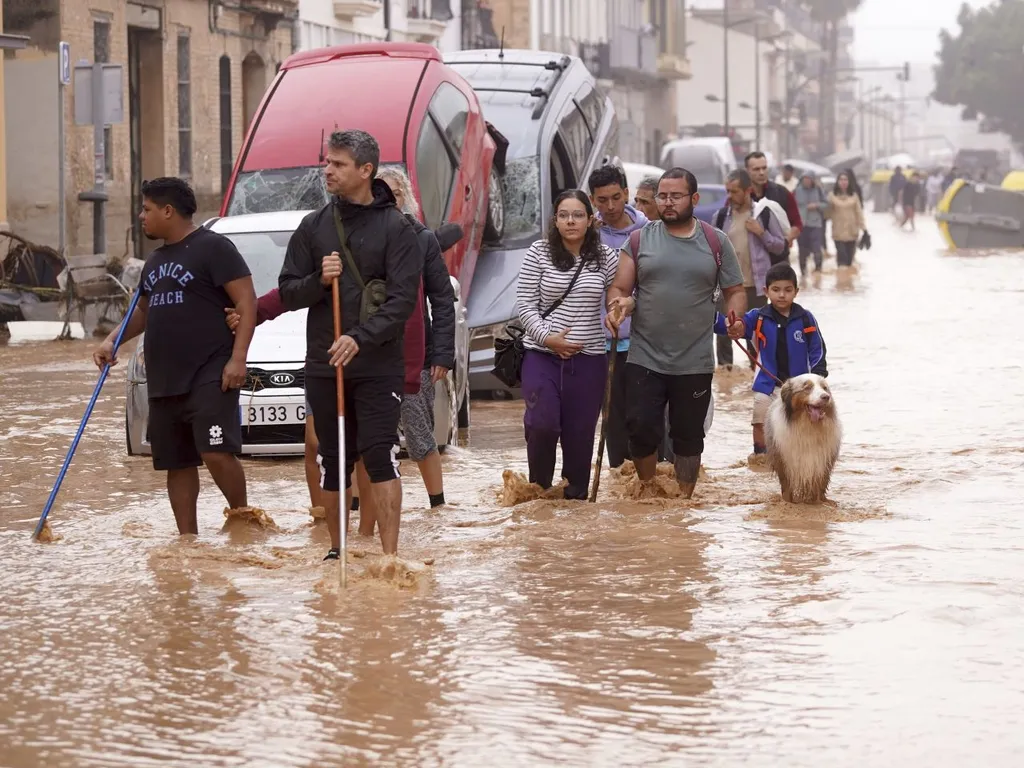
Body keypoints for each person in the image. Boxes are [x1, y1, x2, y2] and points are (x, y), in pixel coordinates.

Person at [279, 129, 422, 561]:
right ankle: (336, 552)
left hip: (378, 364)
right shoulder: (314, 226)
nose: (327, 170)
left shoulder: (398, 228)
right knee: (333, 457)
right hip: (326, 364)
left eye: (338, 164)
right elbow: (287, 291)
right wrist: (318, 280)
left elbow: (401, 303)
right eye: (327, 162)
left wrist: (358, 338)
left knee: (380, 453)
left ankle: (390, 558)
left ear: (366, 170)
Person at [93, 177, 257, 535]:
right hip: (165, 377)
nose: (141, 216)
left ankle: (244, 520)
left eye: (147, 209)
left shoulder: (214, 248)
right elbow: (143, 311)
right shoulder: (155, 261)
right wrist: (111, 341)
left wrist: (238, 358)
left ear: (168, 211)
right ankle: (188, 540)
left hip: (210, 371)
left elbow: (247, 301)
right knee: (176, 462)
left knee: (215, 450)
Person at [606, 168, 746, 498]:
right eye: (662, 196)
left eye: (676, 196)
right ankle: (648, 489)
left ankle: (684, 499)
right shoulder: (639, 240)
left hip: (694, 359)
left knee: (688, 436)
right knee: (640, 428)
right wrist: (619, 305)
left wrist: (735, 316)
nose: (667, 203)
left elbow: (735, 289)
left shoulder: (715, 241)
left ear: (694, 199)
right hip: (645, 356)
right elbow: (620, 287)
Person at [352, 165, 456, 533]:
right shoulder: (358, 236)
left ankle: (437, 506)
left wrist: (442, 355)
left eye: (395, 194)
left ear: (406, 200)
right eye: (381, 193)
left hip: (415, 354)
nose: (387, 201)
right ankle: (357, 509)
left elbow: (442, 300)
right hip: (365, 352)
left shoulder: (422, 239)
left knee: (418, 432)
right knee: (363, 437)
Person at [516, 190, 617, 499]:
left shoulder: (606, 257)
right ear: (555, 220)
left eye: (577, 215)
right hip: (541, 355)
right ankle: (540, 494)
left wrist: (617, 311)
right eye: (564, 215)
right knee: (542, 425)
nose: (570, 221)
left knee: (580, 437)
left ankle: (575, 507)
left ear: (590, 220)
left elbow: (619, 294)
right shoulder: (538, 252)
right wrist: (549, 338)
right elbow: (524, 305)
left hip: (589, 361)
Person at [586, 165, 659, 469]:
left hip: (645, 342)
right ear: (593, 200)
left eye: (616, 197)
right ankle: (619, 483)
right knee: (611, 420)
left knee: (646, 418)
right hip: (601, 343)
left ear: (627, 194)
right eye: (603, 200)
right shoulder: (586, 234)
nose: (611, 207)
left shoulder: (649, 232)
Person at [715, 262, 828, 458]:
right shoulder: (757, 317)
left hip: (800, 388)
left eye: (787, 290)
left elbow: (817, 349)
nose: (782, 295)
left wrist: (817, 377)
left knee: (806, 421)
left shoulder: (806, 319)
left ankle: (801, 457)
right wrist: (716, 320)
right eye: (776, 290)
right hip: (768, 385)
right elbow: (733, 326)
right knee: (760, 420)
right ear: (766, 291)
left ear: (796, 291)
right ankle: (761, 456)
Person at [712, 168, 786, 369]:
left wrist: (761, 233)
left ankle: (756, 377)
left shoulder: (763, 214)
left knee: (755, 336)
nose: (730, 196)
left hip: (756, 286)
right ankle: (726, 379)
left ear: (748, 190)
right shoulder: (720, 217)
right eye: (727, 191)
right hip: (727, 286)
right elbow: (710, 251)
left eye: (734, 191)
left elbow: (780, 245)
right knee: (724, 335)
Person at [745, 151, 802, 248]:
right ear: (747, 171)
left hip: (778, 258)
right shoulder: (741, 195)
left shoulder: (782, 193)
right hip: (750, 256)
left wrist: (786, 241)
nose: (761, 173)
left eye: (764, 168)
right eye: (756, 169)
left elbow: (797, 224)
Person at [829, 170, 866, 268]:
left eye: (845, 180)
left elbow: (859, 214)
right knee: (842, 262)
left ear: (849, 182)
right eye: (841, 180)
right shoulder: (832, 196)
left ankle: (847, 283)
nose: (843, 182)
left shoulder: (854, 196)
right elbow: (826, 214)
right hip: (838, 233)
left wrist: (865, 230)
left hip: (852, 233)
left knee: (849, 262)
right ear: (837, 181)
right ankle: (841, 282)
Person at [793, 172, 828, 275]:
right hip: (801, 225)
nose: (807, 181)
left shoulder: (818, 190)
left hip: (816, 224)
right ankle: (803, 274)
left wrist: (816, 205)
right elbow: (790, 206)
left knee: (817, 249)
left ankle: (818, 272)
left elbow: (826, 204)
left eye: (809, 179)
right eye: (805, 179)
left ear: (812, 180)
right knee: (802, 251)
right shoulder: (796, 191)